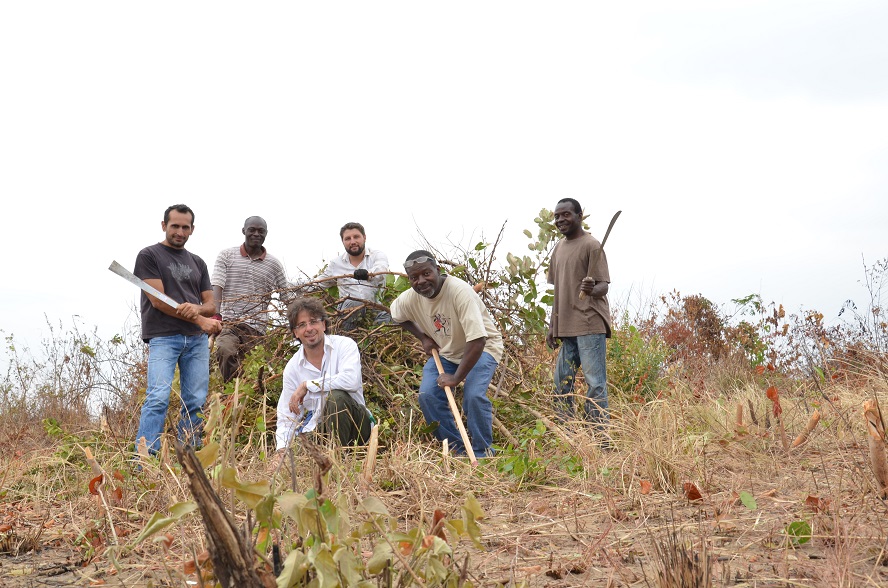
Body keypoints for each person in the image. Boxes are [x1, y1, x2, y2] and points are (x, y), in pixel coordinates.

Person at [390, 250, 503, 457]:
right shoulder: (409, 299)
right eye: (414, 278)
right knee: (428, 395)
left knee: (473, 395)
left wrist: (456, 377)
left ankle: (482, 452)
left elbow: (478, 340)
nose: (421, 281)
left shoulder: (460, 291)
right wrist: (423, 338)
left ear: (438, 270)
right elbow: (396, 315)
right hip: (448, 352)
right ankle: (457, 451)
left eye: (426, 273)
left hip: (483, 348)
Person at [133, 204, 222, 455]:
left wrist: (195, 309)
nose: (179, 232)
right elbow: (158, 300)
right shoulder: (149, 256)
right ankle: (144, 460)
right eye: (175, 226)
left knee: (195, 402)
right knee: (158, 398)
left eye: (185, 227)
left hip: (196, 341)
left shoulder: (198, 262)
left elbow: (211, 304)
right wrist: (200, 320)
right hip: (164, 337)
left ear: (192, 229)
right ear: (164, 226)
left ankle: (189, 459)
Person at [274, 297, 373, 456]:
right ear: (295, 333)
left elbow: (351, 381)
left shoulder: (344, 345)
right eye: (302, 325)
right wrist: (281, 451)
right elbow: (287, 416)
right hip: (321, 430)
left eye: (313, 322)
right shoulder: (292, 368)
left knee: (336, 398)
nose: (309, 329)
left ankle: (339, 461)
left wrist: (308, 385)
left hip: (358, 427)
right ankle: (327, 458)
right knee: (301, 446)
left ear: (324, 324)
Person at [546, 197, 612, 429]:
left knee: (595, 384)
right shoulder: (558, 249)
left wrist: (591, 289)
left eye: (566, 214)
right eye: (557, 216)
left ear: (579, 216)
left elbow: (603, 286)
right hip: (566, 326)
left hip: (589, 324)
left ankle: (600, 438)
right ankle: (569, 437)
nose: (560, 220)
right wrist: (552, 326)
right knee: (561, 384)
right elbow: (558, 291)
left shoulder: (591, 245)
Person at [211, 216, 293, 383]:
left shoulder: (274, 265)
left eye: (261, 231)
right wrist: (216, 315)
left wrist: (299, 320)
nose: (256, 234)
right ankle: (232, 391)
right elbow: (217, 285)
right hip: (229, 322)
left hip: (257, 328)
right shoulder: (227, 255)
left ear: (266, 233)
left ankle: (245, 394)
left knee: (254, 370)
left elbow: (286, 296)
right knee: (225, 350)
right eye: (252, 230)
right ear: (244, 231)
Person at [314, 222, 391, 331]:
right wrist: (289, 287)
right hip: (348, 312)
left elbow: (381, 272)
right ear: (343, 242)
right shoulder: (336, 264)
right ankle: (346, 337)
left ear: (364, 237)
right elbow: (317, 284)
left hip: (374, 310)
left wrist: (367, 274)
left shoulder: (376, 255)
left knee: (395, 315)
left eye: (356, 237)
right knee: (355, 304)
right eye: (348, 239)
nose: (353, 242)